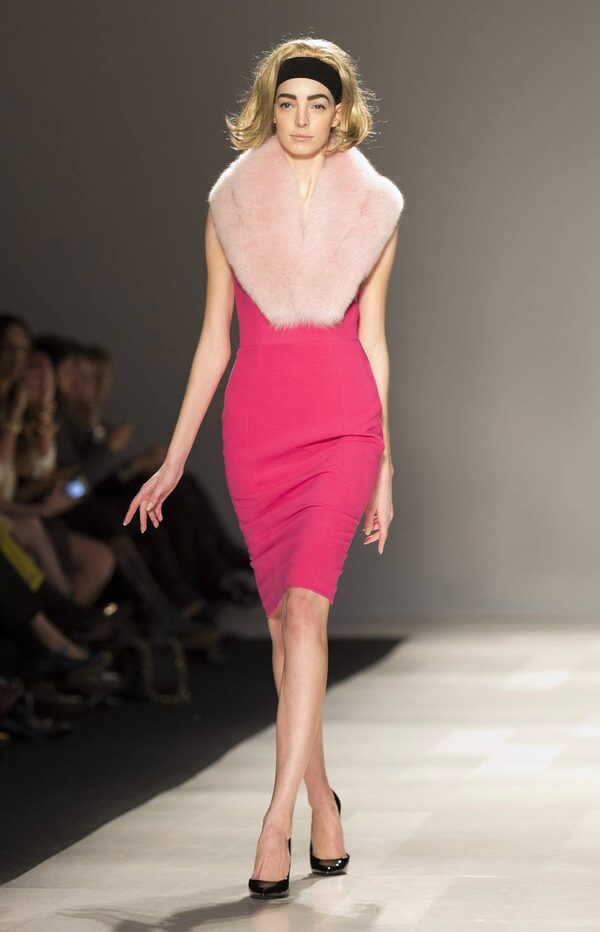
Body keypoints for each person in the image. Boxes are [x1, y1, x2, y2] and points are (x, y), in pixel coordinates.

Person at [123, 37, 404, 899]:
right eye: (287, 104)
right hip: (259, 431)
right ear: (270, 108)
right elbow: (214, 340)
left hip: (344, 428)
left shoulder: (376, 208)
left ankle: (274, 819)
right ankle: (322, 801)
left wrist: (385, 465)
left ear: (339, 111)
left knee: (309, 611)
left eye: (316, 104)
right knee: (284, 630)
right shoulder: (231, 204)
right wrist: (174, 456)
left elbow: (374, 340)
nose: (301, 119)